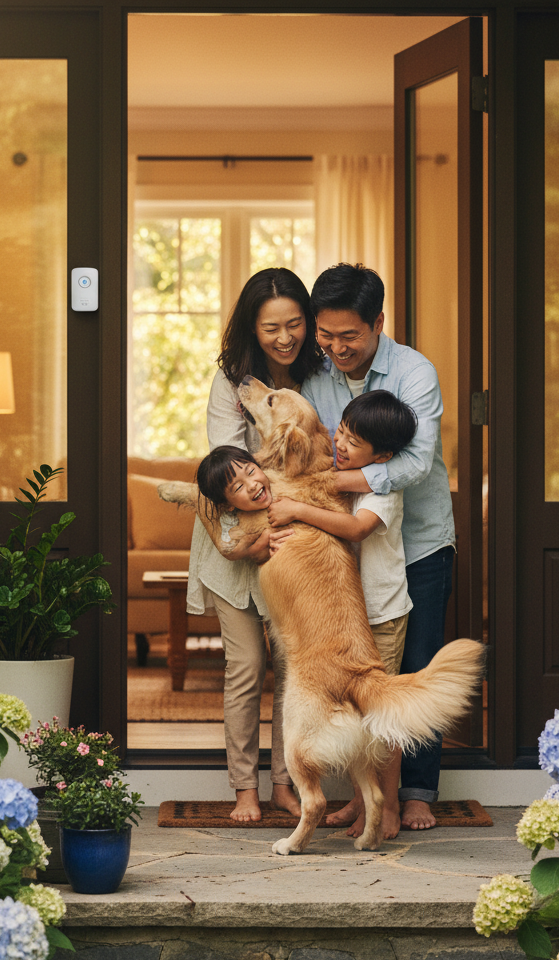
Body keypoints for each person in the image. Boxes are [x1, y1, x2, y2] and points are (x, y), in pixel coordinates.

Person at [301, 263, 456, 833]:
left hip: (418, 541)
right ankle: (362, 794)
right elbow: (315, 445)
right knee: (364, 673)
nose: (336, 348)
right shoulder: (314, 373)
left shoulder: (414, 372)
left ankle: (416, 792)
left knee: (416, 666)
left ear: (378, 324)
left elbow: (413, 463)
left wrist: (329, 486)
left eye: (349, 336)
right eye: (327, 335)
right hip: (353, 554)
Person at [186, 267, 323, 823]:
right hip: (235, 540)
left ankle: (287, 783)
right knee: (246, 669)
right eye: (272, 328)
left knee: (293, 670)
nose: (285, 337)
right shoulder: (231, 381)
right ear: (252, 327)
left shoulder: (320, 375)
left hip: (292, 541)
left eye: (294, 324)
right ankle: (245, 788)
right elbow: (225, 469)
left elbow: (322, 452)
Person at [266, 389, 417, 840]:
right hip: (349, 617)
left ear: (384, 455)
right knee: (352, 711)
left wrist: (296, 508)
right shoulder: (342, 473)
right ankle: (361, 801)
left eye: (354, 442)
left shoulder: (382, 486)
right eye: (342, 433)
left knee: (378, 716)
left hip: (384, 611)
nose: (342, 445)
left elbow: (355, 528)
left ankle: (388, 808)